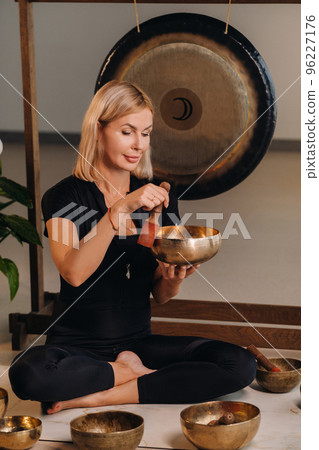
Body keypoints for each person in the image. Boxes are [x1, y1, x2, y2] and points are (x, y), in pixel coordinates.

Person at [9, 80, 256, 414]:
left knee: (239, 364)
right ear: (99, 130)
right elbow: (74, 273)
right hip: (76, 346)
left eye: (147, 132)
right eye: (127, 131)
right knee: (27, 376)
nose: (139, 144)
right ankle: (124, 375)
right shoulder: (65, 197)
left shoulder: (157, 197)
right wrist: (119, 210)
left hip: (139, 344)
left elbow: (162, 294)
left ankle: (100, 394)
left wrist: (173, 276)